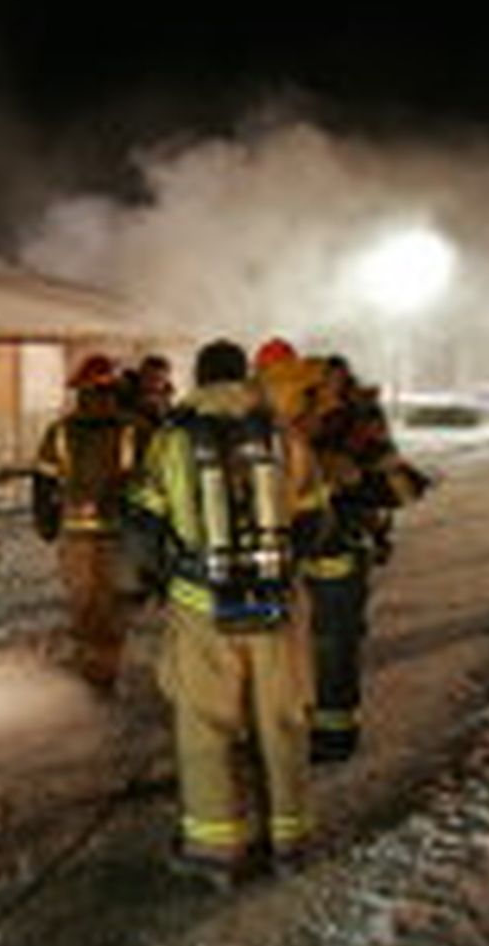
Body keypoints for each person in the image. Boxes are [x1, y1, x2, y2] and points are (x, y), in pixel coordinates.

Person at [128, 338, 326, 889]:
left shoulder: (172, 438)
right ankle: (290, 842)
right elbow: (315, 521)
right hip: (275, 608)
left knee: (206, 726)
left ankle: (216, 851)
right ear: (245, 377)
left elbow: (143, 524)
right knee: (281, 722)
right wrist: (283, 571)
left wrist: (158, 580)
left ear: (199, 377)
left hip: (202, 608)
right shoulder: (285, 436)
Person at [299, 355, 430, 761]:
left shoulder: (359, 425)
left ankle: (334, 735)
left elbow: (398, 489)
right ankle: (302, 724)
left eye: (331, 386)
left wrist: (351, 483)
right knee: (308, 648)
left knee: (334, 646)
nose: (326, 396)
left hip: (340, 546)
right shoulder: (293, 426)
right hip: (300, 554)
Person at [33, 354, 141, 693]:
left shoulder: (60, 431)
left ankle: (94, 667)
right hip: (116, 535)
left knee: (85, 603)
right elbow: (149, 483)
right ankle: (103, 669)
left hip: (77, 535)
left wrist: (46, 521)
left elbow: (43, 482)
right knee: (109, 605)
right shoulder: (133, 429)